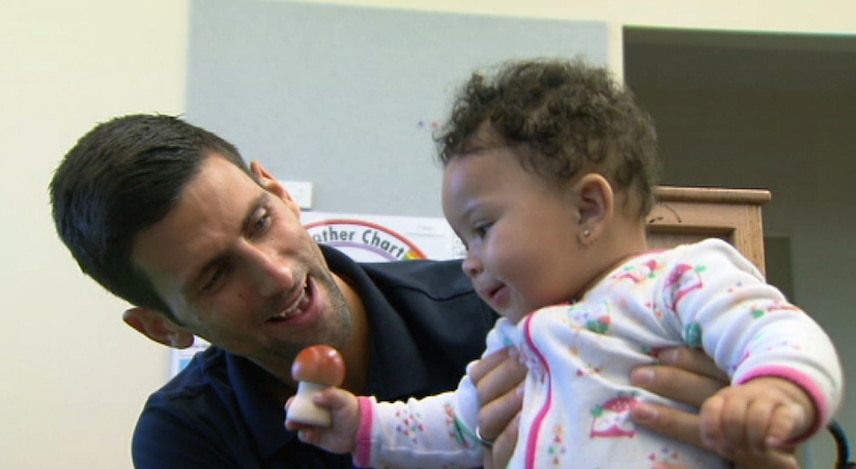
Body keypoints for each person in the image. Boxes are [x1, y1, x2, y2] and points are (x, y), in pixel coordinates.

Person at [50, 113, 795, 469]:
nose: (276, 272)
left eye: (261, 218)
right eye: (216, 275)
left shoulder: (507, 303)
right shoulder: (190, 438)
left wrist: (758, 430)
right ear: (162, 327)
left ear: (276, 187)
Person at [287, 59, 844, 469]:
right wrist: (363, 424)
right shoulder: (513, 343)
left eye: (482, 230)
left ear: (588, 208)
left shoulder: (678, 281)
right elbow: (455, 424)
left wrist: (774, 392)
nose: (469, 264)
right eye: (463, 243)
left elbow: (778, 331)